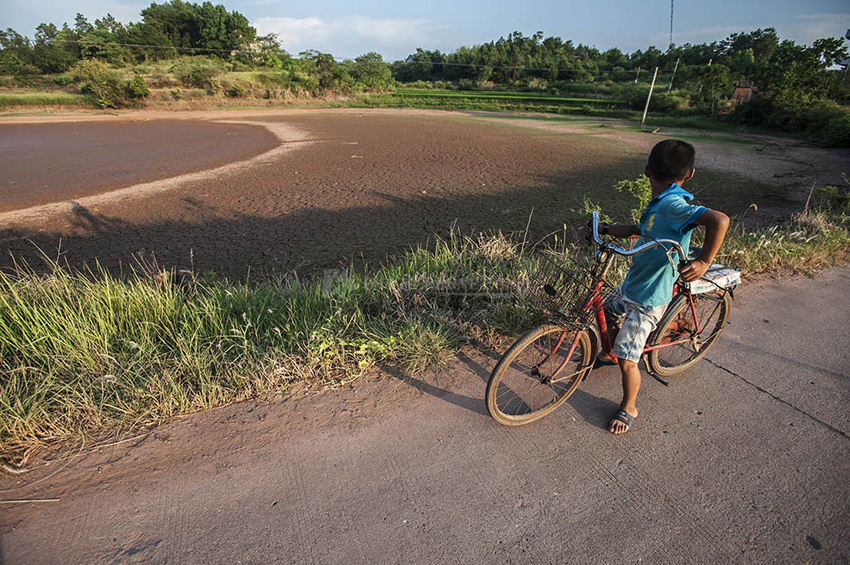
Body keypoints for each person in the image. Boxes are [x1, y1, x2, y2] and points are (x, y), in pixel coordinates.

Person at [584, 139, 730, 435]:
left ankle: (629, 406)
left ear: (647, 171)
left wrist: (703, 261)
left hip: (649, 296)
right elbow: (640, 229)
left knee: (629, 359)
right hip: (635, 282)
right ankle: (611, 351)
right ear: (689, 174)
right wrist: (607, 229)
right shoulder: (660, 203)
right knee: (606, 310)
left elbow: (719, 220)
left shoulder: (674, 205)